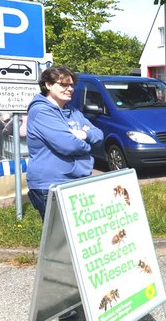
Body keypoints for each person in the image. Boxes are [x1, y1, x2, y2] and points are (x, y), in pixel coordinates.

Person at [26, 65, 104, 222]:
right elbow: (68, 145)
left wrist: (83, 134)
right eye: (63, 84)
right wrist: (86, 144)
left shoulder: (73, 111)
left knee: (77, 237)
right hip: (51, 185)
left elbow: (99, 135)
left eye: (71, 85)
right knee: (60, 239)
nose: (69, 89)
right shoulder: (41, 111)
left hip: (77, 181)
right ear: (48, 85)